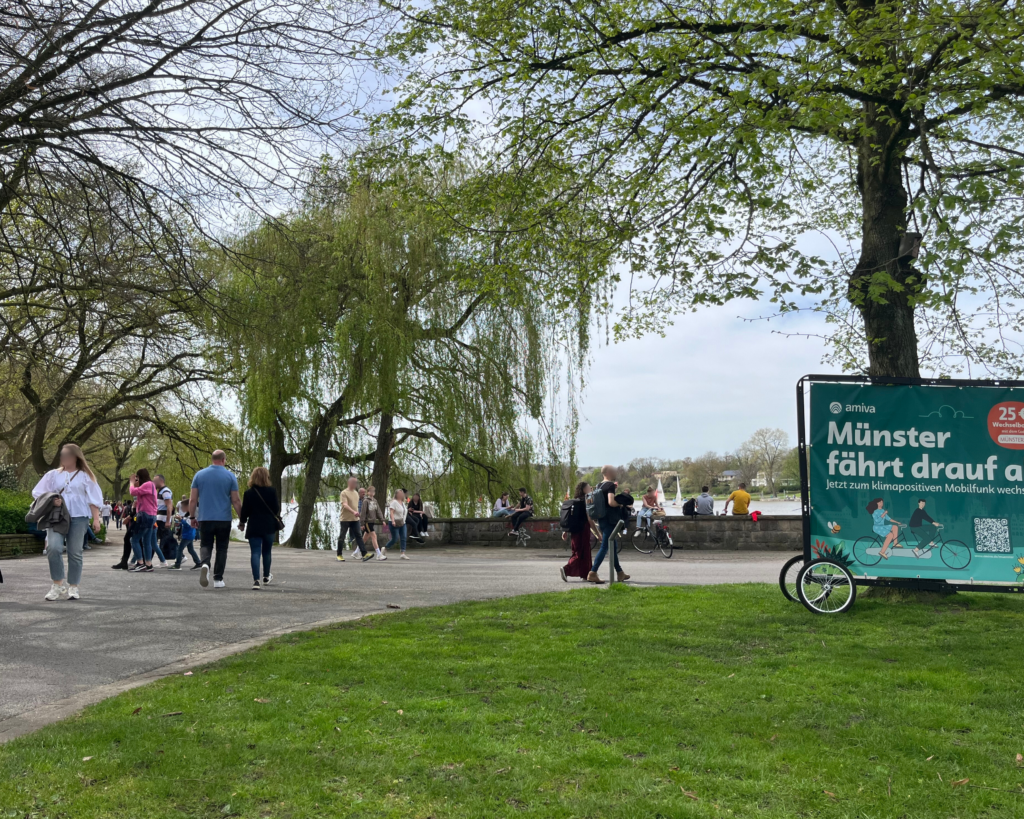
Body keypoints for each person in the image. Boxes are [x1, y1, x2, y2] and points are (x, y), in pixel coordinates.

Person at [31, 443, 103, 601]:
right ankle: (57, 584)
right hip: (57, 517)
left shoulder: (86, 476)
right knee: (53, 548)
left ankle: (74, 586)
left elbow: (94, 499)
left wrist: (96, 519)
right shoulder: (52, 475)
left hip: (79, 517)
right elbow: (38, 492)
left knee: (75, 552)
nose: (63, 458)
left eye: (66, 455)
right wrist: (52, 500)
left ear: (76, 457)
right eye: (62, 455)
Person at [189, 450, 242, 588]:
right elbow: (236, 500)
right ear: (223, 460)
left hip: (205, 518)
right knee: (222, 548)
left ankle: (205, 564)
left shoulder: (199, 475)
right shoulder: (230, 476)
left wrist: (192, 516)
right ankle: (218, 579)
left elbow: (193, 499)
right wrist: (242, 519)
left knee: (205, 545)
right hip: (223, 519)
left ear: (212, 459)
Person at [238, 467, 281, 589]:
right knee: (267, 552)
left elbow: (245, 511)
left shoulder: (248, 493)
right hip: (268, 526)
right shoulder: (272, 491)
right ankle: (266, 577)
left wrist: (242, 523)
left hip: (254, 526)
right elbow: (276, 509)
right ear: (266, 477)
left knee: (255, 552)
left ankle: (256, 581)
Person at [588, 465, 630, 583]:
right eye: (614, 470)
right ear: (609, 472)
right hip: (611, 520)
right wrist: (620, 504)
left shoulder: (599, 485)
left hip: (602, 519)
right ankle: (593, 572)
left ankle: (620, 573)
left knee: (613, 546)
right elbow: (611, 503)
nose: (616, 472)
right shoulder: (610, 485)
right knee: (605, 547)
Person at [561, 481, 599, 582]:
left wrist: (565, 531)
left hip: (574, 531)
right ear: (584, 490)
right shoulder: (586, 501)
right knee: (583, 552)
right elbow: (590, 519)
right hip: (583, 529)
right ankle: (566, 569)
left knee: (577, 551)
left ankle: (585, 574)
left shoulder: (575, 501)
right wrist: (598, 534)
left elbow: (570, 519)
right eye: (589, 488)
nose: (591, 489)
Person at [129, 468, 161, 571]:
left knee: (134, 539)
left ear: (140, 476)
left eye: (137, 477)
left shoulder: (147, 484)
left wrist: (131, 483)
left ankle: (140, 563)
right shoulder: (151, 485)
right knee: (146, 541)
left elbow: (133, 492)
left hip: (145, 515)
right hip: (151, 516)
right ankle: (148, 564)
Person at [340, 476, 376, 562]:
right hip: (345, 519)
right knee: (342, 536)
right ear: (349, 483)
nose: (355, 484)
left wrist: (361, 521)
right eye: (354, 482)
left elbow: (357, 508)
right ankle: (339, 554)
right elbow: (345, 505)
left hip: (355, 519)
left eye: (356, 482)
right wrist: (353, 512)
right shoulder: (344, 493)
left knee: (359, 536)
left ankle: (364, 554)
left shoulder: (356, 493)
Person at [154, 475, 178, 563]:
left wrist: (168, 521)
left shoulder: (165, 491)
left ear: (160, 481)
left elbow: (169, 507)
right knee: (163, 539)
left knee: (165, 539)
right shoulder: (160, 492)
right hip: (159, 519)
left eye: (155, 481)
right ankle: (162, 560)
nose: (154, 483)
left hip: (163, 520)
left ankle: (178, 556)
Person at [360, 485, 386, 559]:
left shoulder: (375, 501)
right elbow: (363, 512)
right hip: (367, 521)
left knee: (365, 537)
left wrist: (382, 520)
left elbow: (378, 511)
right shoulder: (366, 501)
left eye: (373, 491)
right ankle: (378, 554)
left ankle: (357, 551)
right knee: (374, 536)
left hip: (373, 521)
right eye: (370, 491)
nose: (372, 492)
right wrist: (362, 523)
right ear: (367, 492)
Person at [385, 488, 410, 559]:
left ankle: (403, 553)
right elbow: (391, 512)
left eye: (401, 494)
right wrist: (393, 521)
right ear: (396, 494)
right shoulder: (394, 502)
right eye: (399, 493)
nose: (401, 495)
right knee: (395, 538)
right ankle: (386, 548)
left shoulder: (403, 503)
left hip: (402, 522)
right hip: (394, 522)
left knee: (403, 537)